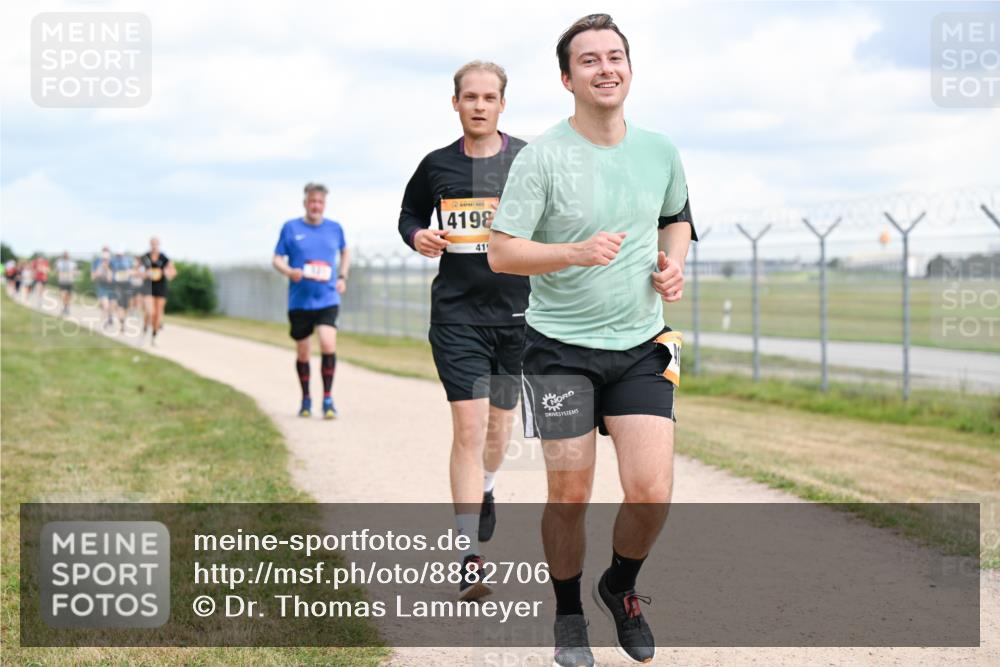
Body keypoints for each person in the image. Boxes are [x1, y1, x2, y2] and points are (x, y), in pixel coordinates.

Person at [488, 14, 695, 666]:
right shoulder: (542, 157)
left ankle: (620, 586)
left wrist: (673, 263)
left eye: (615, 57)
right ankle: (569, 613)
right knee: (571, 494)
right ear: (566, 78)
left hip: (642, 345)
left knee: (651, 490)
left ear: (629, 67)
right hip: (558, 350)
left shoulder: (659, 150)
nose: (606, 69)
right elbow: (501, 252)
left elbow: (676, 217)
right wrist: (573, 251)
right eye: (589, 60)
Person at [398, 60, 529, 601]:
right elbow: (409, 214)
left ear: (502, 104)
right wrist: (418, 237)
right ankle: (468, 555)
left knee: (499, 431)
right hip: (456, 317)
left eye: (488, 97)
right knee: (469, 431)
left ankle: (489, 487)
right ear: (455, 103)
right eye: (469, 97)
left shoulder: (527, 160)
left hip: (517, 317)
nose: (479, 105)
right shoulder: (436, 165)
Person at [272, 183, 349, 419]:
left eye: (320, 202)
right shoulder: (291, 227)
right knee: (303, 351)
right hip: (300, 301)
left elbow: (345, 251)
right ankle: (306, 399)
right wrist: (289, 271)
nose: (316, 206)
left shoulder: (335, 228)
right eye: (312, 201)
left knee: (327, 342)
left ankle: (328, 399)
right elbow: (277, 258)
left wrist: (342, 276)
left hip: (327, 297)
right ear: (305, 203)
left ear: (324, 205)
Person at [141, 237, 176, 345]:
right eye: (152, 244)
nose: (154, 246)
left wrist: (167, 273)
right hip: (148, 286)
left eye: (156, 244)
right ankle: (145, 328)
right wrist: (144, 274)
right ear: (150, 244)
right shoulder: (145, 257)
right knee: (150, 311)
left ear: (159, 245)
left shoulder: (164, 258)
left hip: (161, 287)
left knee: (157, 313)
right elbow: (136, 271)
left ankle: (154, 336)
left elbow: (173, 272)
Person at [111, 249, 134, 332]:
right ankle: (122, 323)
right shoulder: (113, 261)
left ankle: (123, 319)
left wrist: (130, 272)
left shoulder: (129, 260)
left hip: (127, 284)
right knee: (120, 304)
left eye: (120, 255)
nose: (119, 256)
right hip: (118, 285)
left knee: (126, 305)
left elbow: (132, 270)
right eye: (118, 255)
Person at [91, 247, 115, 328]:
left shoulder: (112, 263)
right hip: (101, 286)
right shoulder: (96, 262)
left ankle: (108, 318)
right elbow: (93, 278)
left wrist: (107, 268)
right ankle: (105, 321)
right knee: (105, 305)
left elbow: (110, 279)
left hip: (111, 287)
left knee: (110, 305)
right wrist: (99, 269)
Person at [55, 251, 77, 316]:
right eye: (65, 255)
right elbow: (57, 271)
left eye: (67, 255)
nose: (66, 256)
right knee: (63, 294)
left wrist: (74, 274)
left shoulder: (72, 263)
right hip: (62, 281)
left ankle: (66, 308)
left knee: (68, 296)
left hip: (69, 281)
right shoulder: (60, 263)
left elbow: (75, 271)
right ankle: (65, 307)